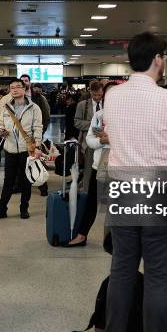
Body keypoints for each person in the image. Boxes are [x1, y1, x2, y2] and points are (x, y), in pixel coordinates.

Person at [104, 32, 167, 332]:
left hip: (122, 191)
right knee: (158, 277)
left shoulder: (112, 95)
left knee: (122, 270)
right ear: (158, 59)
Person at [66, 82, 118, 247]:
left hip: (122, 163)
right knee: (91, 202)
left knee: (117, 203)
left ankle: (114, 239)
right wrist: (103, 140)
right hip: (100, 162)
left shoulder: (128, 116)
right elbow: (90, 140)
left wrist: (111, 139)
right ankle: (82, 234)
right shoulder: (99, 116)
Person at [0, 79, 43, 220]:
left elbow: (38, 128)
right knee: (8, 182)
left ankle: (24, 208)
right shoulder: (5, 106)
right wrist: (1, 131)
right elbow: (0, 124)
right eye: (12, 88)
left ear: (24, 89)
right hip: (10, 149)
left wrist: (37, 146)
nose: (15, 90)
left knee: (26, 181)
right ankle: (1, 209)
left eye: (18, 87)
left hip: (26, 150)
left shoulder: (34, 108)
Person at [75, 80, 104, 192]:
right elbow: (76, 122)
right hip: (89, 142)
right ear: (90, 92)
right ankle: (86, 191)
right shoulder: (83, 105)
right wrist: (92, 126)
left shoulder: (108, 104)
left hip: (105, 142)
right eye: (94, 94)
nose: (97, 97)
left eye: (99, 95)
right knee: (88, 169)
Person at [31, 83, 51, 196]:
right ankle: (20, 184)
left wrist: (40, 133)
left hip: (34, 136)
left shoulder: (39, 98)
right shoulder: (20, 99)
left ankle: (43, 186)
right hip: (22, 135)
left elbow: (46, 116)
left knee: (35, 160)